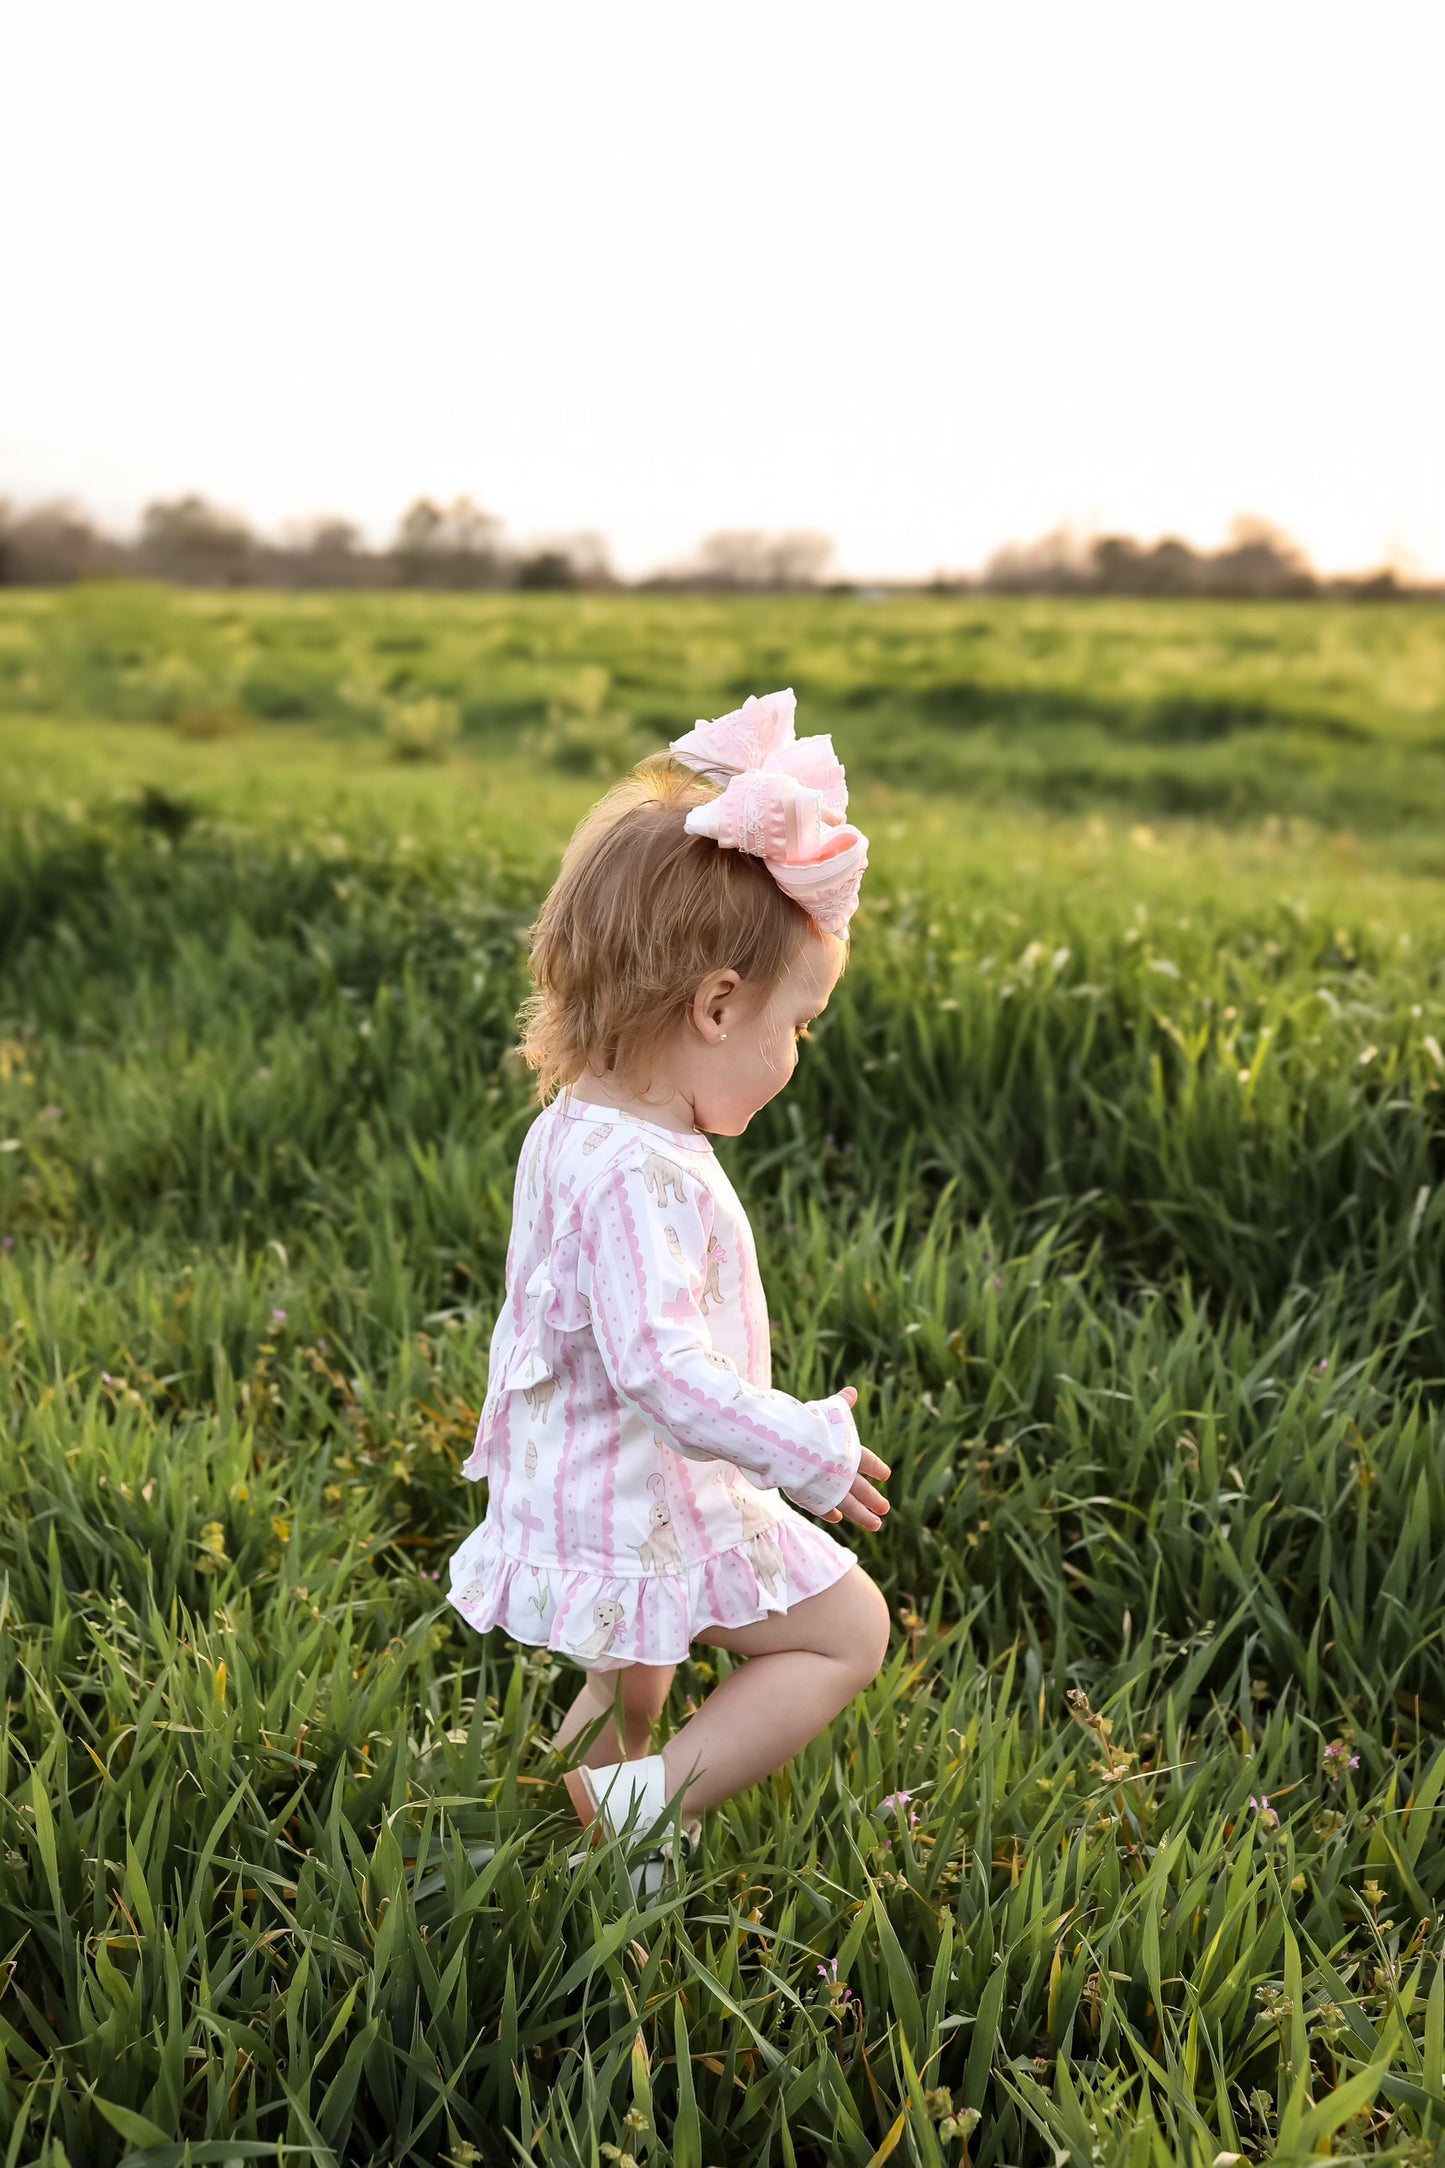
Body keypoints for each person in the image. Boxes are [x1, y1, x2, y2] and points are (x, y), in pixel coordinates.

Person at [447, 688, 893, 1893]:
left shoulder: (574, 1124)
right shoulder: (643, 1171)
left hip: (582, 1473)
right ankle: (637, 1818)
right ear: (714, 1005)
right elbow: (659, 1366)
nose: (793, 1056)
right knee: (850, 1633)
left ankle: (582, 1858)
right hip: (648, 1481)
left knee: (628, 1674)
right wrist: (800, 1445)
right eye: (796, 1024)